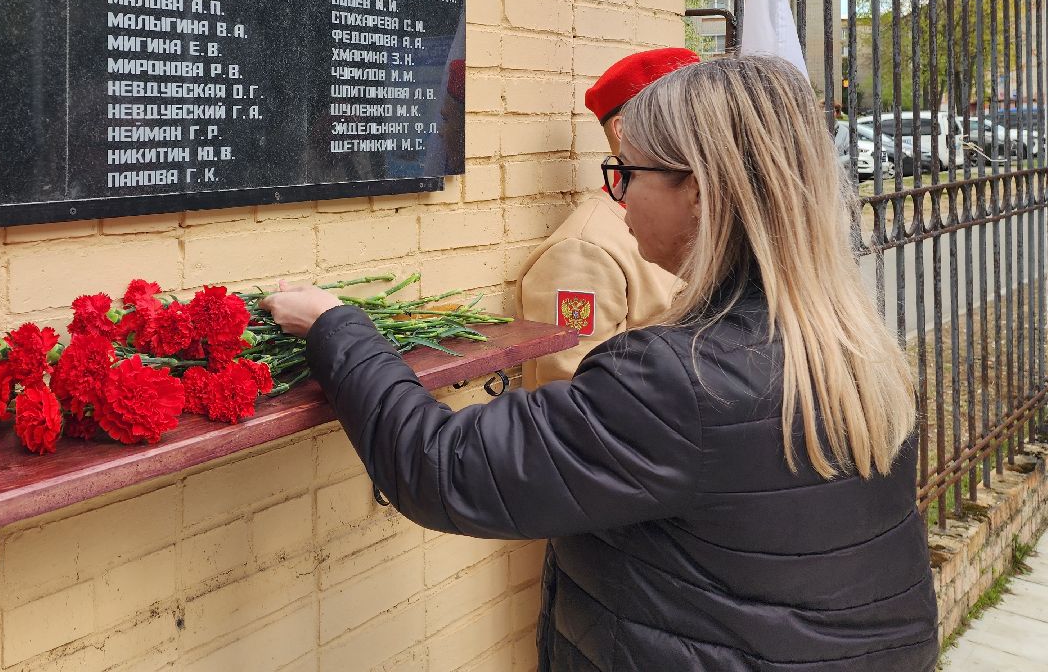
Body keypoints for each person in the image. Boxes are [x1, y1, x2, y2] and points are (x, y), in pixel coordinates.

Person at [262, 55, 936, 671]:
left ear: (698, 192)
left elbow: (443, 468)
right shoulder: (851, 343)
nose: (618, 197)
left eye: (628, 174)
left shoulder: (681, 380)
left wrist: (334, 326)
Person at [518, 47, 698, 385]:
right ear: (624, 128)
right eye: (686, 112)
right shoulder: (585, 251)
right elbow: (573, 393)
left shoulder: (694, 221)